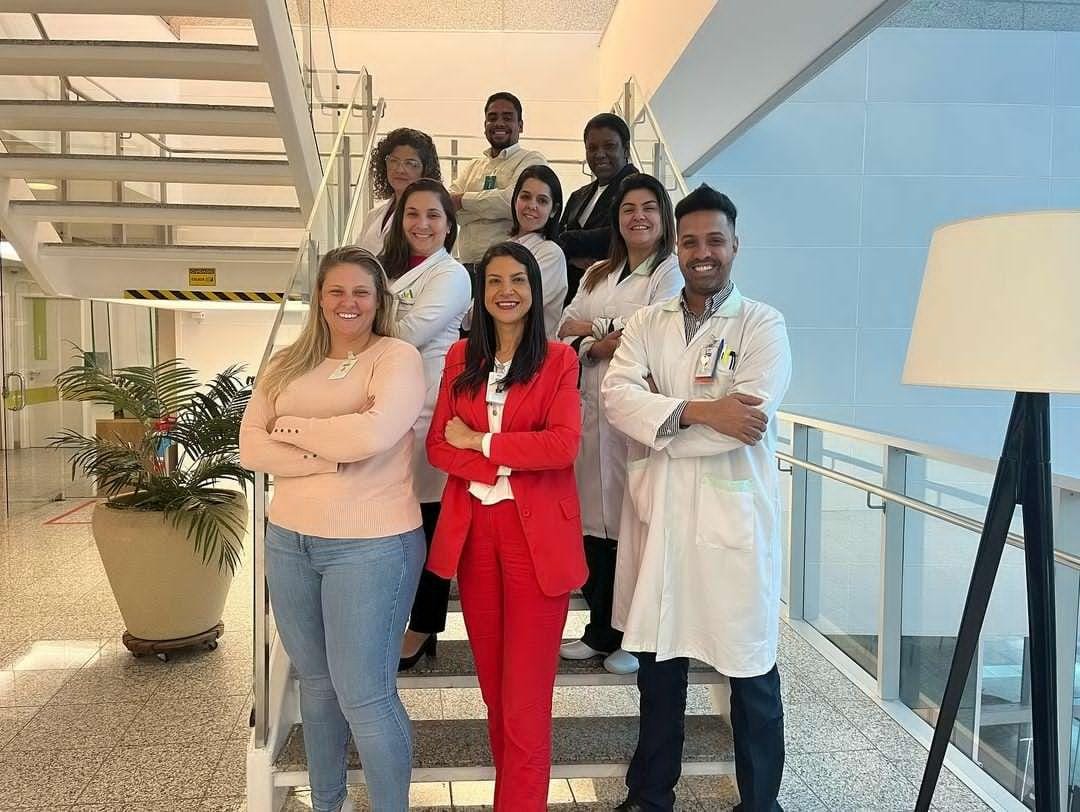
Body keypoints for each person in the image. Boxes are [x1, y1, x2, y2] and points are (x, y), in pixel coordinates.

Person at [601, 184, 792, 812]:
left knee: (751, 673)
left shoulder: (762, 323)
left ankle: (760, 803)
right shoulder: (646, 322)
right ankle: (650, 796)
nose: (702, 252)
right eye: (690, 242)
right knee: (660, 673)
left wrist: (661, 421)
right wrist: (703, 410)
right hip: (661, 517)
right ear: (676, 248)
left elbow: (748, 420)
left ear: (736, 245)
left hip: (729, 518)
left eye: (715, 240)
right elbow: (616, 400)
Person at [239, 246, 427, 812]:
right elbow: (251, 446)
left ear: (378, 300)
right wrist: (328, 455)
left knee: (365, 697)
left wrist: (290, 429)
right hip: (289, 540)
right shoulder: (286, 362)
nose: (349, 302)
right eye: (337, 291)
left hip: (372, 546)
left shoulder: (395, 357)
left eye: (361, 292)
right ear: (319, 298)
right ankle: (328, 803)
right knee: (316, 687)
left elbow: (371, 437)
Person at [425, 241, 586, 811]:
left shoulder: (559, 360)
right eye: (494, 281)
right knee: (495, 692)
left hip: (534, 540)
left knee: (525, 701)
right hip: (476, 537)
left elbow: (562, 446)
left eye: (517, 279)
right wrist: (504, 456)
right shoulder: (459, 357)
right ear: (481, 292)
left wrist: (482, 442)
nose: (506, 291)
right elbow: (438, 446)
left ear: (534, 290)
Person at [557, 173, 683, 676]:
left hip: (637, 417)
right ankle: (600, 630)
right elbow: (563, 328)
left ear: (664, 217)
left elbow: (654, 330)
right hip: (592, 414)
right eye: (629, 208)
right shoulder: (596, 274)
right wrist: (596, 342)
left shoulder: (669, 272)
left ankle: (637, 634)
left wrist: (595, 332)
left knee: (636, 527)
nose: (638, 217)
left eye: (649, 207)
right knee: (594, 526)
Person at [380, 178, 472, 670]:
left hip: (429, 408)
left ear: (449, 225)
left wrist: (361, 323)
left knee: (430, 524)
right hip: (387, 407)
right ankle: (400, 618)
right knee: (396, 522)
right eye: (412, 214)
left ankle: (425, 624)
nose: (422, 224)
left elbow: (407, 333)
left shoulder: (452, 275)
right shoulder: (387, 268)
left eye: (434, 215)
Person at [449, 92, 546, 267]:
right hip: (466, 267)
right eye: (492, 118)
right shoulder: (473, 166)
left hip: (507, 268)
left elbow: (512, 202)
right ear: (485, 125)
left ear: (520, 126)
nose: (499, 123)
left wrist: (463, 201)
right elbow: (447, 205)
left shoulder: (531, 160)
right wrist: (493, 208)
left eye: (507, 118)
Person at [558, 113, 638, 303]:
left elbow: (617, 235)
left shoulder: (638, 188)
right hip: (571, 296)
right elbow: (555, 237)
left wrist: (568, 240)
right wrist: (571, 257)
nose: (600, 154)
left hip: (612, 295)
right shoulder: (578, 195)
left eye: (609, 146)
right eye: (592, 148)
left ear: (626, 149)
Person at [358, 128, 441, 255]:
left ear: (425, 170)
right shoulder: (373, 215)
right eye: (393, 161)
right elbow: (356, 256)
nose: (400, 170)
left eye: (410, 164)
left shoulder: (430, 217)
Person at [509, 164, 568, 337]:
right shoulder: (501, 248)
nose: (532, 205)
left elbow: (517, 305)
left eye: (542, 201)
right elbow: (473, 312)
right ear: (515, 200)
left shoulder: (551, 253)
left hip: (534, 350)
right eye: (525, 197)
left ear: (554, 210)